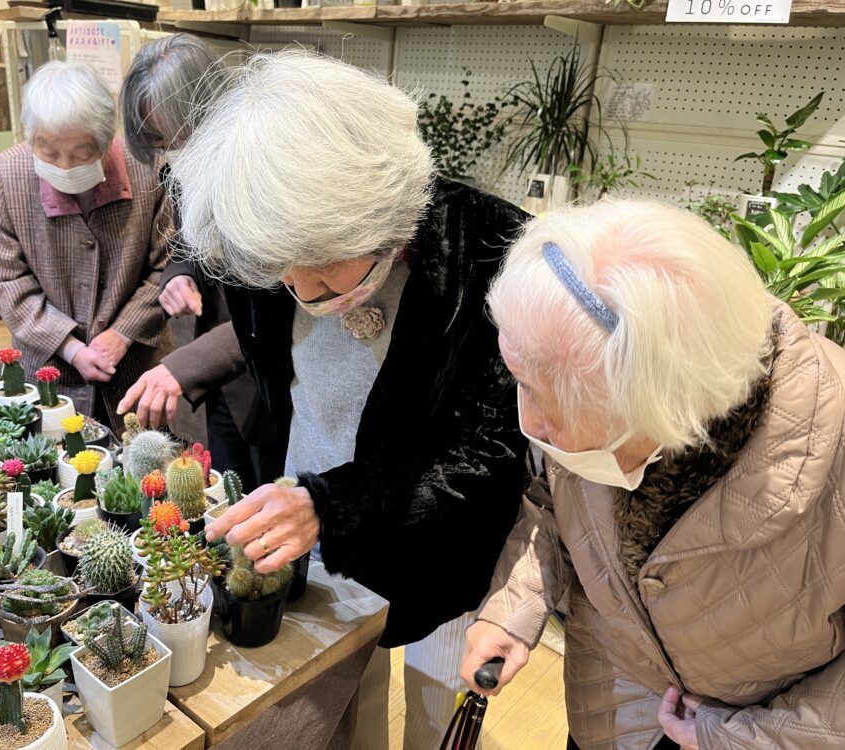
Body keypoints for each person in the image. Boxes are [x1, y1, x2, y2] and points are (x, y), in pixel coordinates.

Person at [172, 51, 530, 749]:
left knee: (437, 713)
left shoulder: (493, 252)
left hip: (444, 539)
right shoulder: (263, 246)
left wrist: (338, 502)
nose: (301, 289)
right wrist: (315, 501)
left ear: (381, 209)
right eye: (281, 267)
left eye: (322, 258)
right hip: (312, 511)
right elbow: (280, 380)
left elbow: (495, 452)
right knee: (336, 703)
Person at [464, 200, 845, 749]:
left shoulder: (832, 452)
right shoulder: (593, 371)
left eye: (550, 405)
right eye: (521, 382)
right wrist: (512, 609)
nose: (533, 425)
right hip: (608, 712)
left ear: (670, 411)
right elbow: (555, 502)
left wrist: (741, 738)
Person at [117, 34, 282, 491]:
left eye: (177, 137)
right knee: (225, 498)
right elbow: (188, 241)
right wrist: (180, 273)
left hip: (272, 380)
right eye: (159, 141)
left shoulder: (268, 173)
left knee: (272, 509)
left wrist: (187, 365)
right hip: (222, 382)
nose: (170, 152)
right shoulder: (190, 164)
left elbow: (284, 305)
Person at [0, 62, 170, 429]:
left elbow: (169, 264)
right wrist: (69, 346)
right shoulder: (6, 176)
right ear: (30, 137)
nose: (64, 166)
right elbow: (4, 277)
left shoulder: (146, 166)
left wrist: (123, 332)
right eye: (48, 152)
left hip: (136, 368)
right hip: (49, 371)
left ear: (106, 139)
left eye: (82, 153)